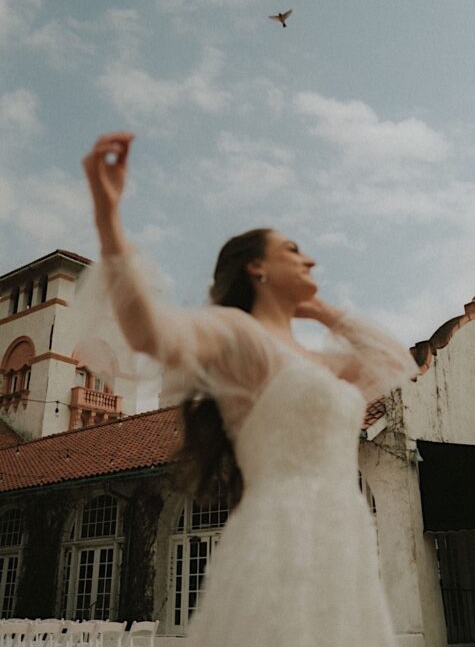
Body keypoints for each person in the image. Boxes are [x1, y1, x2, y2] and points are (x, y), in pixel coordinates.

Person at [80, 132, 419, 645]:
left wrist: (325, 312)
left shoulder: (317, 359)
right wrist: (108, 217)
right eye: (293, 250)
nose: (311, 261)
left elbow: (396, 364)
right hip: (278, 534)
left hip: (342, 542)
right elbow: (149, 332)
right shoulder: (239, 335)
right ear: (255, 267)